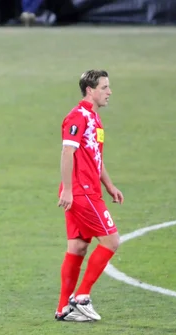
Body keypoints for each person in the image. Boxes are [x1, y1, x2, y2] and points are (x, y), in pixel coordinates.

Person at [55, 70, 123, 322]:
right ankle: (82, 296)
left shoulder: (94, 118)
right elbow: (67, 152)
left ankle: (63, 308)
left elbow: (95, 156)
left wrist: (109, 185)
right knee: (111, 242)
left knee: (78, 246)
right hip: (81, 192)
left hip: (88, 189)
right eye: (104, 87)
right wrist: (69, 189)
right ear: (90, 90)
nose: (109, 92)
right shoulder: (78, 116)